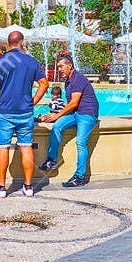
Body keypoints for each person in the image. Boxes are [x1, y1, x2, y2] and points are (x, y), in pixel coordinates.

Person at [0, 30, 49, 198]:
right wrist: (33, 101)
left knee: (3, 148)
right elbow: (44, 83)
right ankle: (28, 187)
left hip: (5, 111)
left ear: (9, 43)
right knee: (26, 147)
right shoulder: (32, 61)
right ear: (22, 42)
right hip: (25, 112)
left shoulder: (1, 61)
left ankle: (1, 188)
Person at [41, 52, 99, 188]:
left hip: (87, 115)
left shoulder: (78, 78)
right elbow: (70, 107)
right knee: (57, 127)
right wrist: (52, 116)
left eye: (61, 66)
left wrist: (56, 115)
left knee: (80, 142)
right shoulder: (68, 81)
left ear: (70, 66)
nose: (59, 69)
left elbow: (73, 103)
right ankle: (52, 160)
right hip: (76, 114)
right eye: (58, 67)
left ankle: (80, 176)